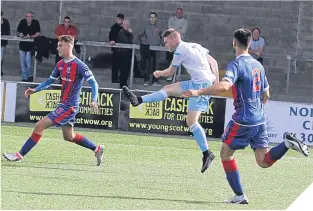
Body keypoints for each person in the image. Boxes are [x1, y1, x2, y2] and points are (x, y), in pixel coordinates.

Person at [182, 28, 309, 204]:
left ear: (234, 43)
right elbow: (266, 95)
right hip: (260, 119)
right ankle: (287, 142)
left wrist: (199, 91)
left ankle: (240, 196)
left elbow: (225, 86)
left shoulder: (236, 65)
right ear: (250, 44)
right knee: (263, 161)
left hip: (243, 119)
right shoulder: (258, 65)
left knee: (225, 154)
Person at [123, 29, 219, 173]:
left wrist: (158, 73)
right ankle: (138, 100)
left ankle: (207, 153)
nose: (166, 46)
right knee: (168, 89)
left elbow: (169, 73)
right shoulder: (194, 45)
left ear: (173, 40)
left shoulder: (180, 50)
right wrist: (216, 81)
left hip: (201, 85)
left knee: (191, 122)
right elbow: (214, 62)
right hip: (200, 82)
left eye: (166, 43)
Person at [3, 35, 105, 166]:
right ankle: (97, 149)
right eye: (58, 45)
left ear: (69, 46)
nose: (57, 48)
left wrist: (94, 99)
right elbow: (49, 81)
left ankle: (19, 155)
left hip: (69, 107)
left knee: (39, 126)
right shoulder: (60, 64)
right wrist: (36, 90)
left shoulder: (80, 65)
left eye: (60, 45)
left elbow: (94, 83)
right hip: (64, 105)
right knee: (69, 137)